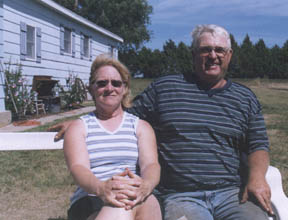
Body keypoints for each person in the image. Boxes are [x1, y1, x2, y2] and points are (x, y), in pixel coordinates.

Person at [50, 24, 273, 220]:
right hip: (181, 196)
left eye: (219, 50)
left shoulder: (245, 99)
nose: (213, 55)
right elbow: (120, 110)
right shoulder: (165, 89)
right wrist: (83, 122)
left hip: (231, 194)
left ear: (230, 55)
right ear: (194, 54)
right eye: (205, 50)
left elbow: (258, 144)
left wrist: (256, 178)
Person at [63, 55, 161, 220]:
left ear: (124, 89)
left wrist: (146, 185)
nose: (110, 88)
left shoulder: (140, 127)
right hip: (91, 198)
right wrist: (102, 188)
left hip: (133, 193)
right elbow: (78, 168)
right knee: (122, 206)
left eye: (116, 83)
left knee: (148, 202)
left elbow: (151, 165)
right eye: (102, 83)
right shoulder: (79, 127)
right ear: (91, 89)